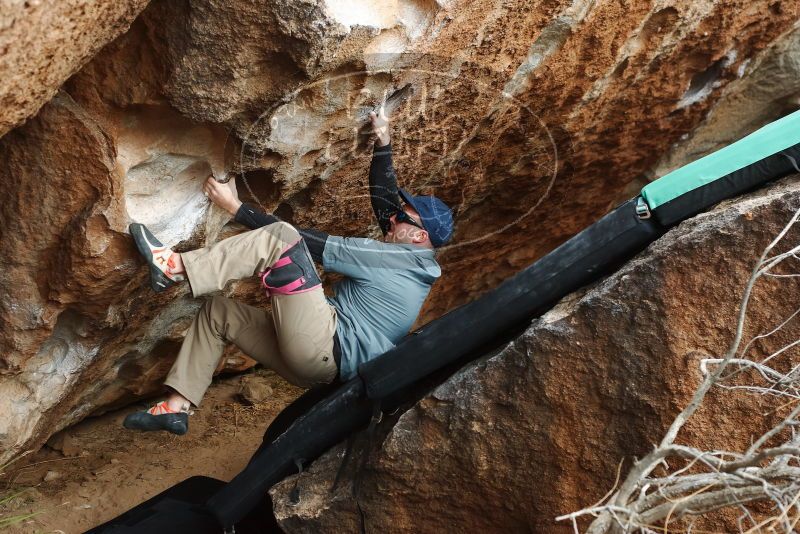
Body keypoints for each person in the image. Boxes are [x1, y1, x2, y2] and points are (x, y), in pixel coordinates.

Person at [123, 107, 454, 434]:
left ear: (419, 235)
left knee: (283, 238)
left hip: (323, 346)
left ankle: (173, 268)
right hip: (318, 370)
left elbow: (309, 243)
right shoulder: (415, 263)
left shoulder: (392, 259)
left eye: (403, 217)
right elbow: (386, 204)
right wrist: (383, 140)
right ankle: (174, 407)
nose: (392, 218)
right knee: (218, 313)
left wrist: (236, 207)